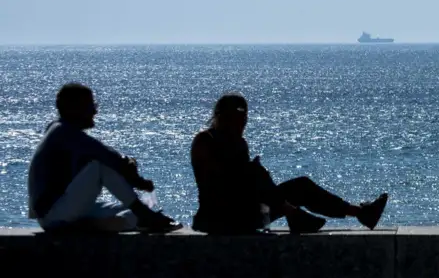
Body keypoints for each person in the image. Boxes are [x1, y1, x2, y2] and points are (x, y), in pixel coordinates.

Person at [190, 92, 389, 234]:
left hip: (246, 213)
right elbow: (221, 184)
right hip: (219, 219)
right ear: (222, 118)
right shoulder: (205, 141)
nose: (242, 124)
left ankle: (361, 213)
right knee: (255, 174)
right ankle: (293, 214)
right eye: (237, 119)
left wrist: (252, 174)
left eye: (244, 119)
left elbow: (247, 188)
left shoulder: (239, 143)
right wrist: (250, 172)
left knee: (300, 186)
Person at [27, 83, 181, 233]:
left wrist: (127, 168)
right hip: (53, 213)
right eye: (90, 105)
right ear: (72, 109)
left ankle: (90, 225)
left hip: (57, 213)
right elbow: (106, 155)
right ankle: (142, 217)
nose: (95, 111)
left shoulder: (58, 130)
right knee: (100, 165)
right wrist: (137, 180)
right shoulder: (63, 132)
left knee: (131, 212)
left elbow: (103, 154)